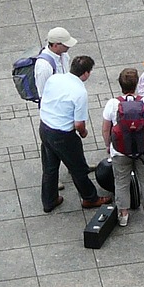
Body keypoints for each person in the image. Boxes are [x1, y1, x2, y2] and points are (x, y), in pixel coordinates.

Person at [38, 52, 108, 212]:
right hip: (63, 135)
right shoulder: (79, 92)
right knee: (78, 168)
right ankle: (90, 198)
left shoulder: (55, 79)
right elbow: (78, 124)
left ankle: (49, 200)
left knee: (50, 167)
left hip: (45, 127)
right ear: (86, 73)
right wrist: (83, 133)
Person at [100, 66, 144, 227]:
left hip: (120, 150)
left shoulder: (113, 104)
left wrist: (109, 146)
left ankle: (123, 215)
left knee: (121, 181)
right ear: (136, 84)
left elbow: (106, 129)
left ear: (120, 84)